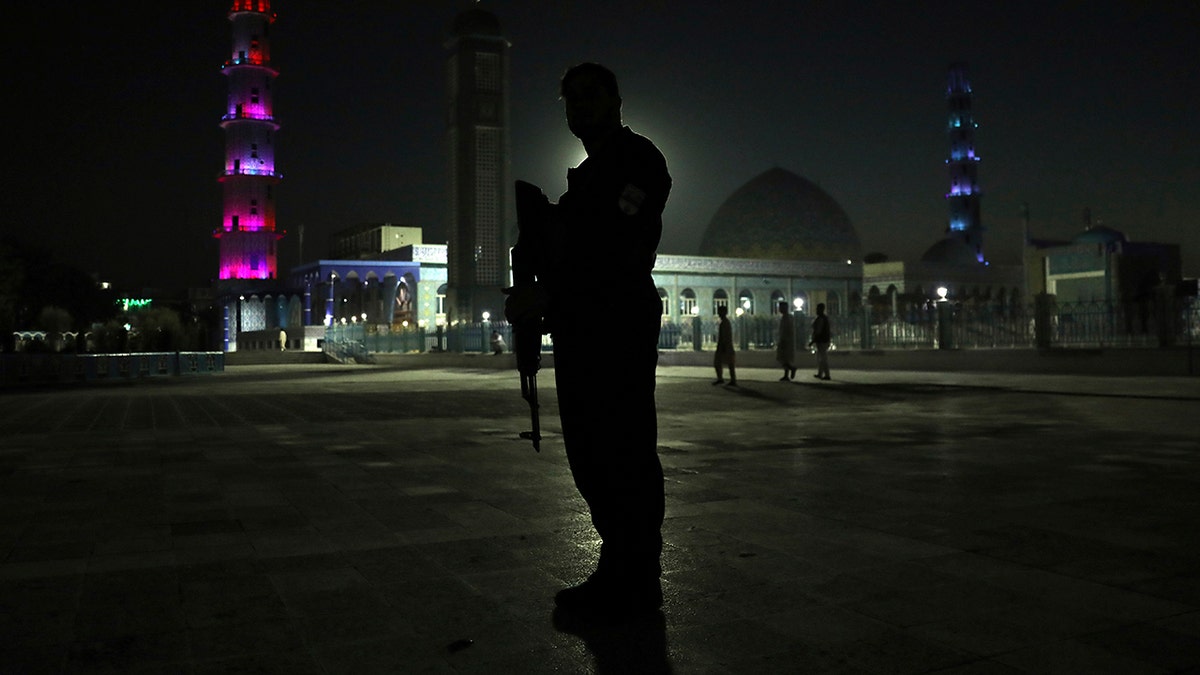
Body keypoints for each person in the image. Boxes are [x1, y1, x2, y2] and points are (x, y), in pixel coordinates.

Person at [505, 62, 671, 620]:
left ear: (617, 100)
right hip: (582, 331)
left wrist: (548, 292)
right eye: (570, 99)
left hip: (617, 327)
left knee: (622, 451)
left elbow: (616, 249)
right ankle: (617, 566)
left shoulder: (638, 161)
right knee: (590, 453)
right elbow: (569, 247)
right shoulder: (585, 178)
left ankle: (637, 576)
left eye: (590, 95)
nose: (580, 106)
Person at [712, 304, 736, 386]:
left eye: (720, 311)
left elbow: (724, 336)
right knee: (729, 363)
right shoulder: (725, 322)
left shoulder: (724, 323)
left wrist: (722, 346)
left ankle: (722, 378)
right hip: (727, 346)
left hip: (725, 346)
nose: (718, 313)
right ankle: (731, 379)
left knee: (719, 363)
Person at [809, 302, 832, 380]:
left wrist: (813, 341)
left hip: (822, 341)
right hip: (823, 340)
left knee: (822, 358)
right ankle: (821, 373)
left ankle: (826, 375)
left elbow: (818, 331)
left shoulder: (821, 318)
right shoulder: (823, 318)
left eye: (817, 309)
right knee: (821, 358)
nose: (816, 310)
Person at [775, 301, 796, 381]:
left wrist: (783, 340)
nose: (779, 309)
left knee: (783, 358)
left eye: (780, 307)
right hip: (785, 340)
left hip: (785, 341)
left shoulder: (787, 318)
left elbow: (787, 330)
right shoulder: (786, 317)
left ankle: (791, 369)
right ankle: (787, 374)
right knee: (783, 358)